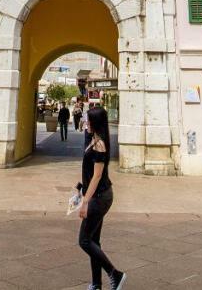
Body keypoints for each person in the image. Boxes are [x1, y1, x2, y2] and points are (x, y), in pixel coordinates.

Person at [77, 105, 126, 290]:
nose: (86, 122)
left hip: (99, 197)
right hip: (98, 194)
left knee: (84, 241)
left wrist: (85, 202)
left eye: (89, 120)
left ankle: (115, 274)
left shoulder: (99, 144)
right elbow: (90, 172)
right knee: (93, 241)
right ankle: (96, 284)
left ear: (95, 122)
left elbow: (97, 176)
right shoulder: (93, 139)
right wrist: (82, 187)